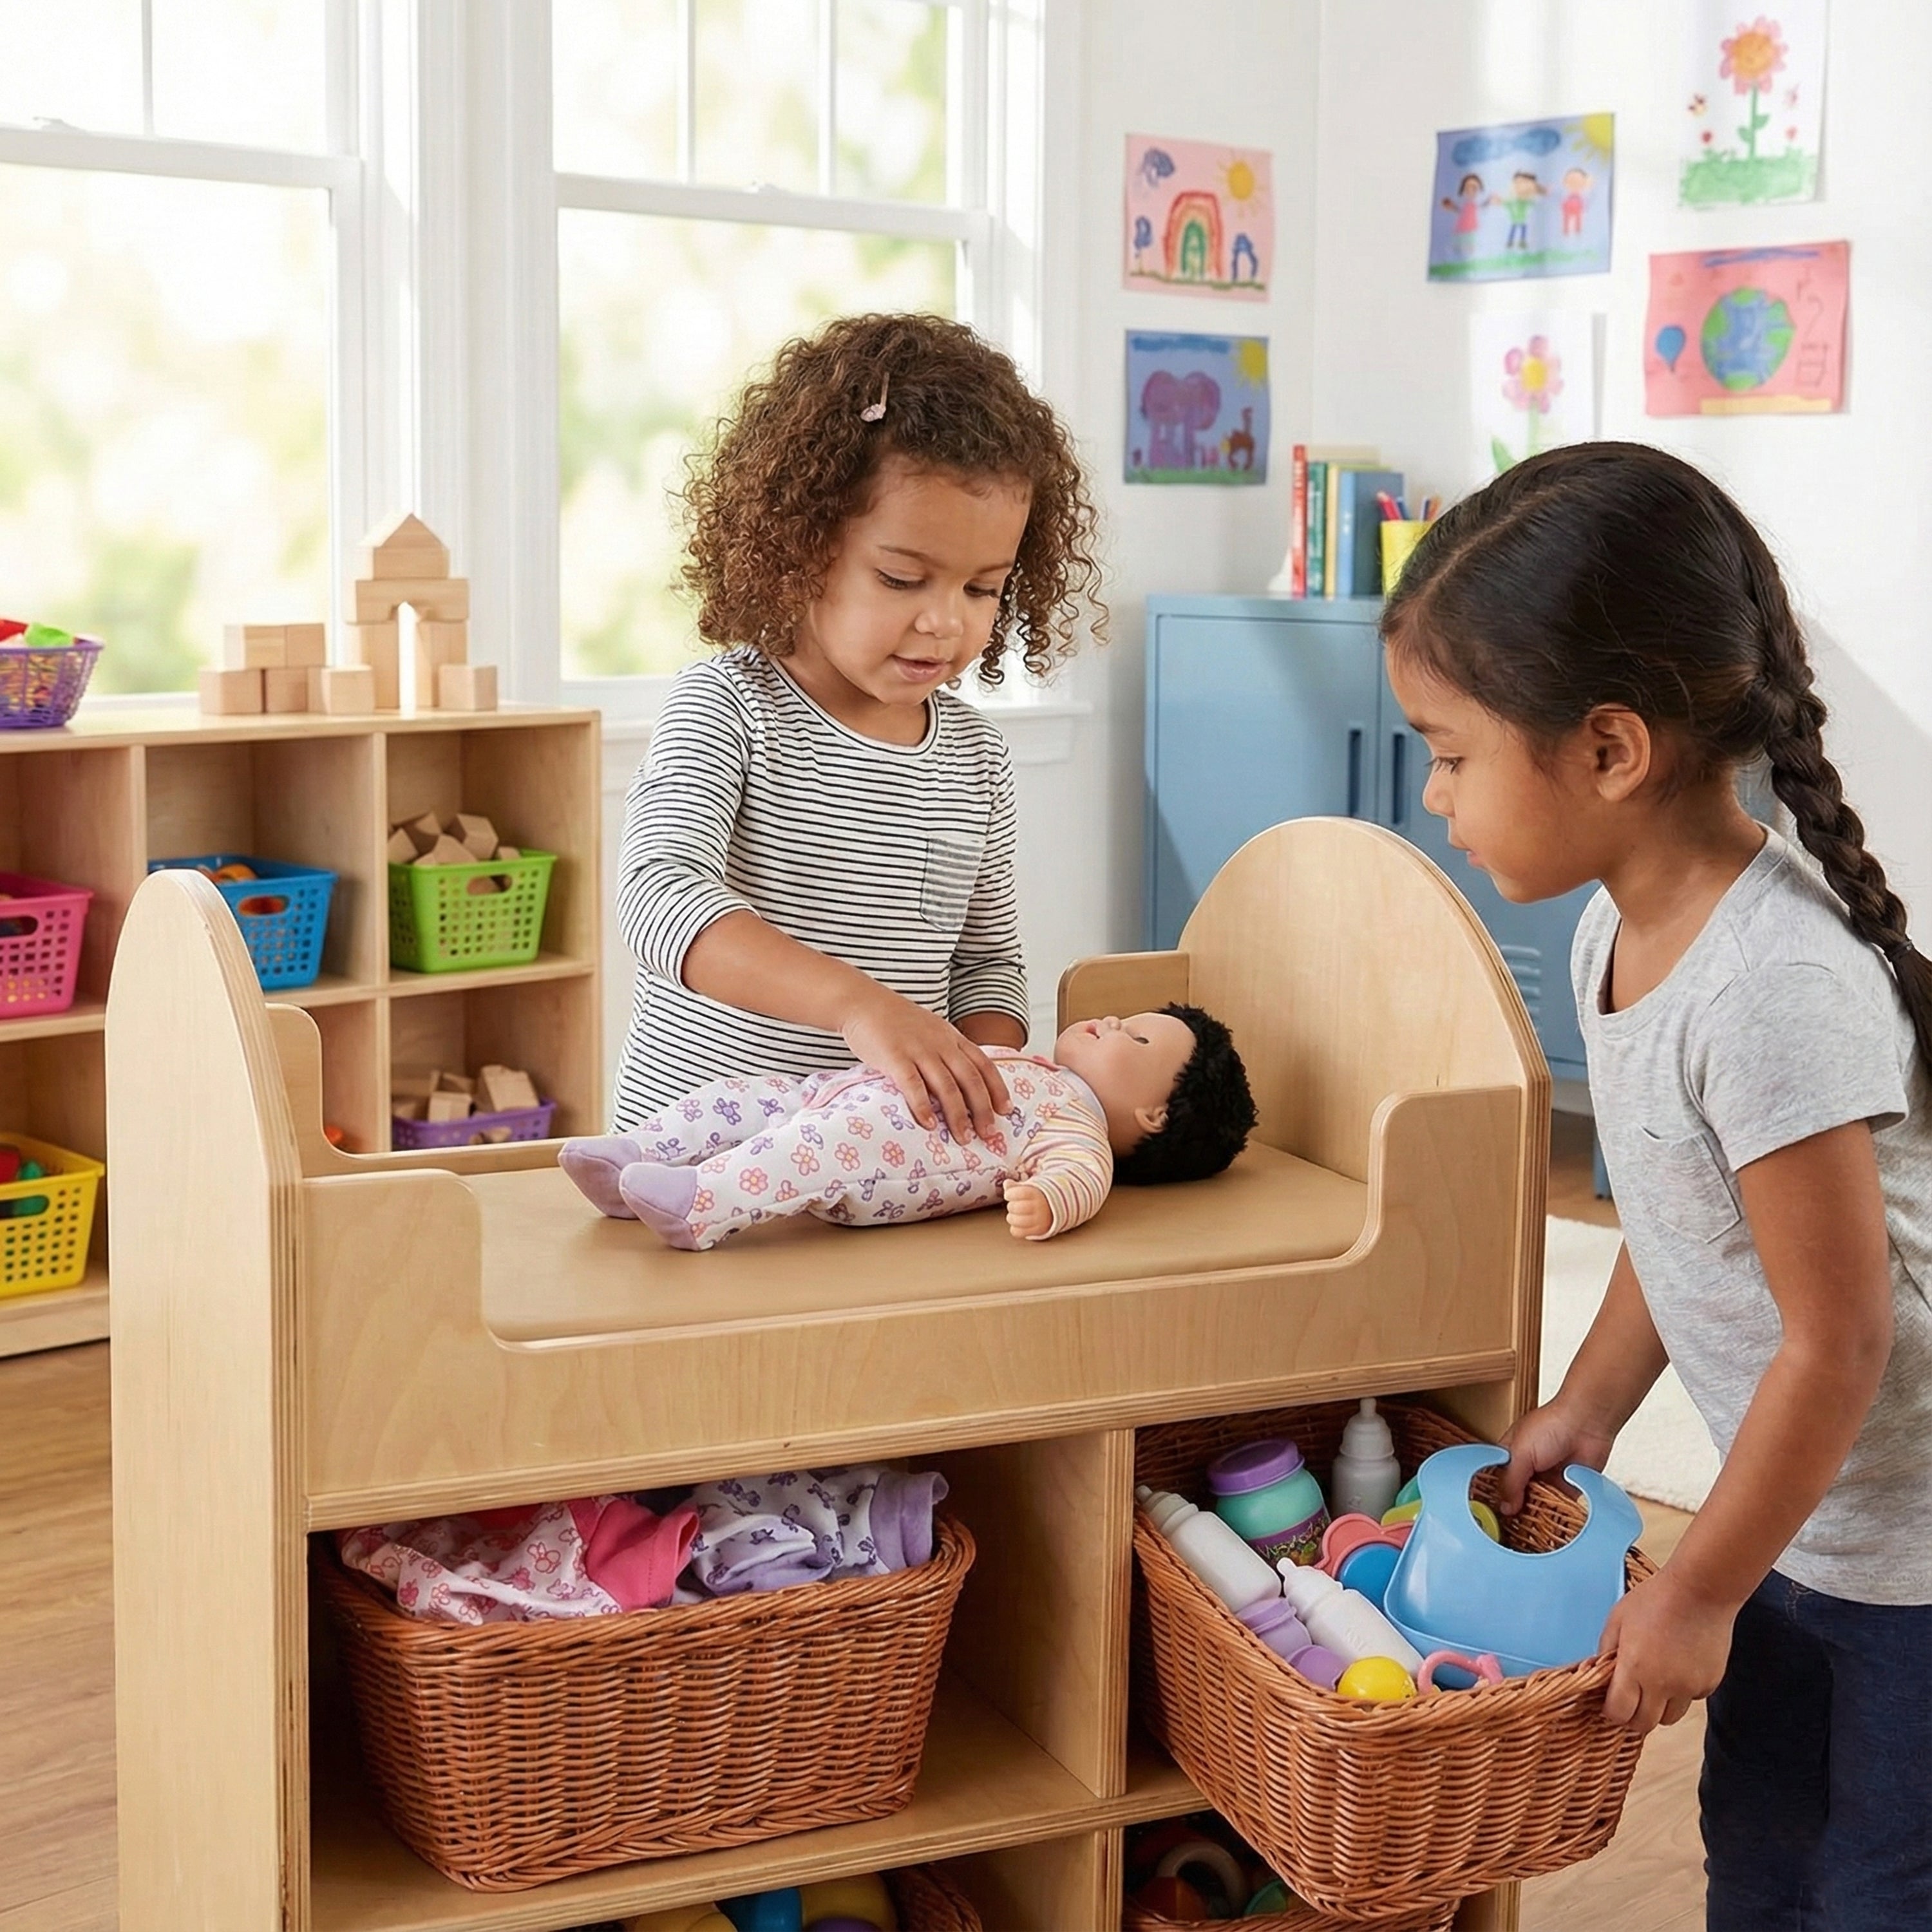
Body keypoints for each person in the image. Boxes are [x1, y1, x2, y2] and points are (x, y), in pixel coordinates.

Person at [1381, 441, 1932, 1931]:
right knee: (1757, 1855)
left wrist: (1690, 1588)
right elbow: (1678, 1221)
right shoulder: (1612, 936)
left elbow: (1839, 1339)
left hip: (1904, 1551)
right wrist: (1589, 1405)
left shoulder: (1765, 989)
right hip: (1797, 1521)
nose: (1433, 795)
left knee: (1876, 1887)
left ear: (1608, 749)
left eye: (1447, 749)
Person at [613, 312, 1103, 1145]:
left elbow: (987, 967)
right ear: (800, 547)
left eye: (983, 590)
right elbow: (659, 896)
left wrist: (981, 1076)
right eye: (903, 578)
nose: (946, 623)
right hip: (690, 1170)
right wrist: (859, 1007)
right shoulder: (730, 706)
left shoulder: (976, 760)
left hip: (874, 1169)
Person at [562, 1005, 1257, 1250]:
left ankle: (701, 1205)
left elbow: (1082, 1178)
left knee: (799, 1154)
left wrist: (1048, 1204)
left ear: (1155, 1115)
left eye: (1132, 1039)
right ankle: (635, 1155)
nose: (1110, 1021)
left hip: (885, 1154)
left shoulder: (1077, 1124)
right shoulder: (1041, 1066)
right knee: (746, 1100)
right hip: (844, 1091)